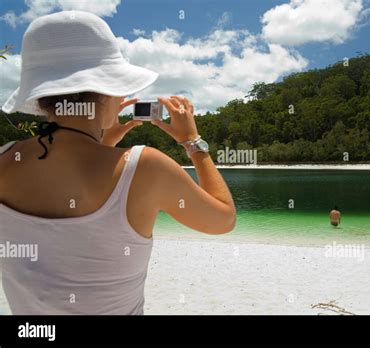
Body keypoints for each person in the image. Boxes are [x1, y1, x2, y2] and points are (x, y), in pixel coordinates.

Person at [0, 11, 236, 314]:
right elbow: (223, 219)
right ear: (106, 90)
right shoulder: (145, 167)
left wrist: (100, 143)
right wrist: (193, 143)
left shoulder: (6, 159)